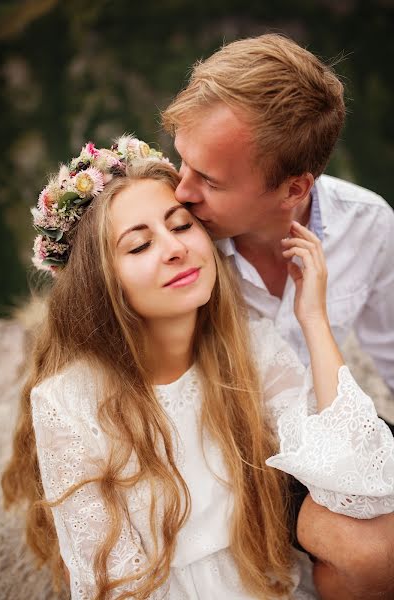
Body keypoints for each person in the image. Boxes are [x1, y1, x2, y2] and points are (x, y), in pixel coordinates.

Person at [1, 136, 394, 600]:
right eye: (140, 245)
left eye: (182, 226)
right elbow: (108, 583)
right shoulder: (69, 401)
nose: (174, 249)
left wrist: (314, 320)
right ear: (101, 284)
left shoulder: (251, 346)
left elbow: (361, 489)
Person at [162, 33, 394, 599]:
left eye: (210, 181)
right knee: (371, 554)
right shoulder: (176, 240)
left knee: (367, 562)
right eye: (181, 162)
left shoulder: (370, 226)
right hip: (233, 450)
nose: (182, 192)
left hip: (326, 427)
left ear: (295, 188)